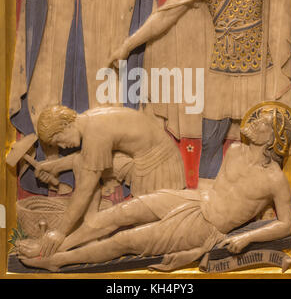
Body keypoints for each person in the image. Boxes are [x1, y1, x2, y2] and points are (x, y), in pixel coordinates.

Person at [109, 0, 291, 179]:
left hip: (257, 66)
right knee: (211, 141)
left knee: (261, 141)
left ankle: (263, 198)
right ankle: (208, 196)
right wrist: (127, 45)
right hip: (221, 67)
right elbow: (165, 15)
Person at [17, 103, 291, 272]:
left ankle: (58, 260)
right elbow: (220, 187)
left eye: (263, 123)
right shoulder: (234, 151)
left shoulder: (274, 180)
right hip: (196, 201)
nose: (254, 123)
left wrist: (246, 238)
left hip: (206, 226)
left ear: (273, 138)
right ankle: (52, 249)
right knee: (118, 214)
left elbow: (286, 225)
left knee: (124, 241)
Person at [10, 0, 158, 194]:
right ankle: (63, 183)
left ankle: (102, 180)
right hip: (57, 68)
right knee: (57, 121)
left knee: (97, 121)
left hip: (98, 70)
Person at [26, 104, 186, 255]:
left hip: (159, 168)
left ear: (66, 125)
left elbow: (84, 190)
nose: (61, 146)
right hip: (149, 160)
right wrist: (55, 166)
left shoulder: (95, 133)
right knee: (82, 165)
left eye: (58, 140)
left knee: (151, 237)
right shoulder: (90, 120)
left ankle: (87, 231)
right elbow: (86, 159)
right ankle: (90, 230)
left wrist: (59, 232)